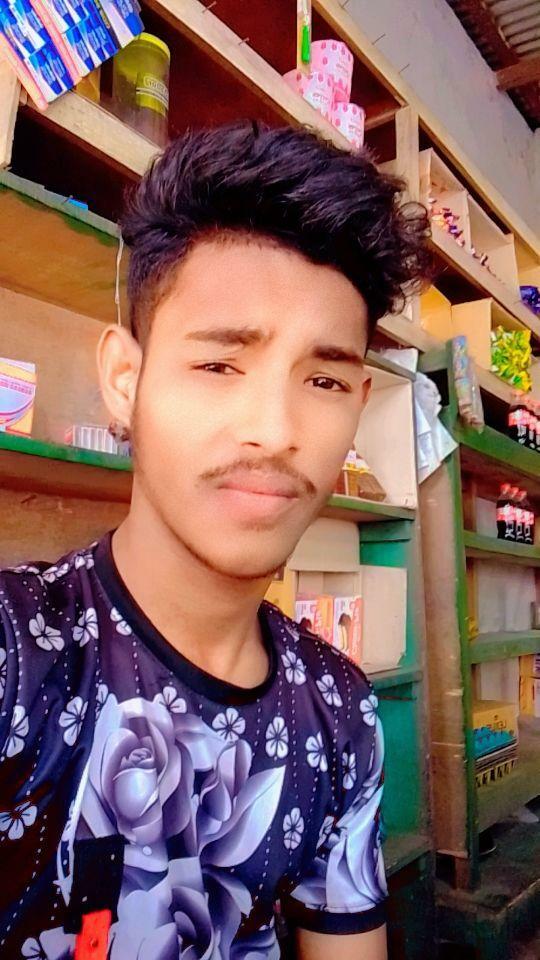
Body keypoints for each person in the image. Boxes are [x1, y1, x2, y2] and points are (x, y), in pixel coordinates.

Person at [0, 121, 430, 960]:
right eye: (218, 365)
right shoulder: (21, 657)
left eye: (323, 379)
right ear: (124, 380)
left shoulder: (339, 711)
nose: (275, 430)